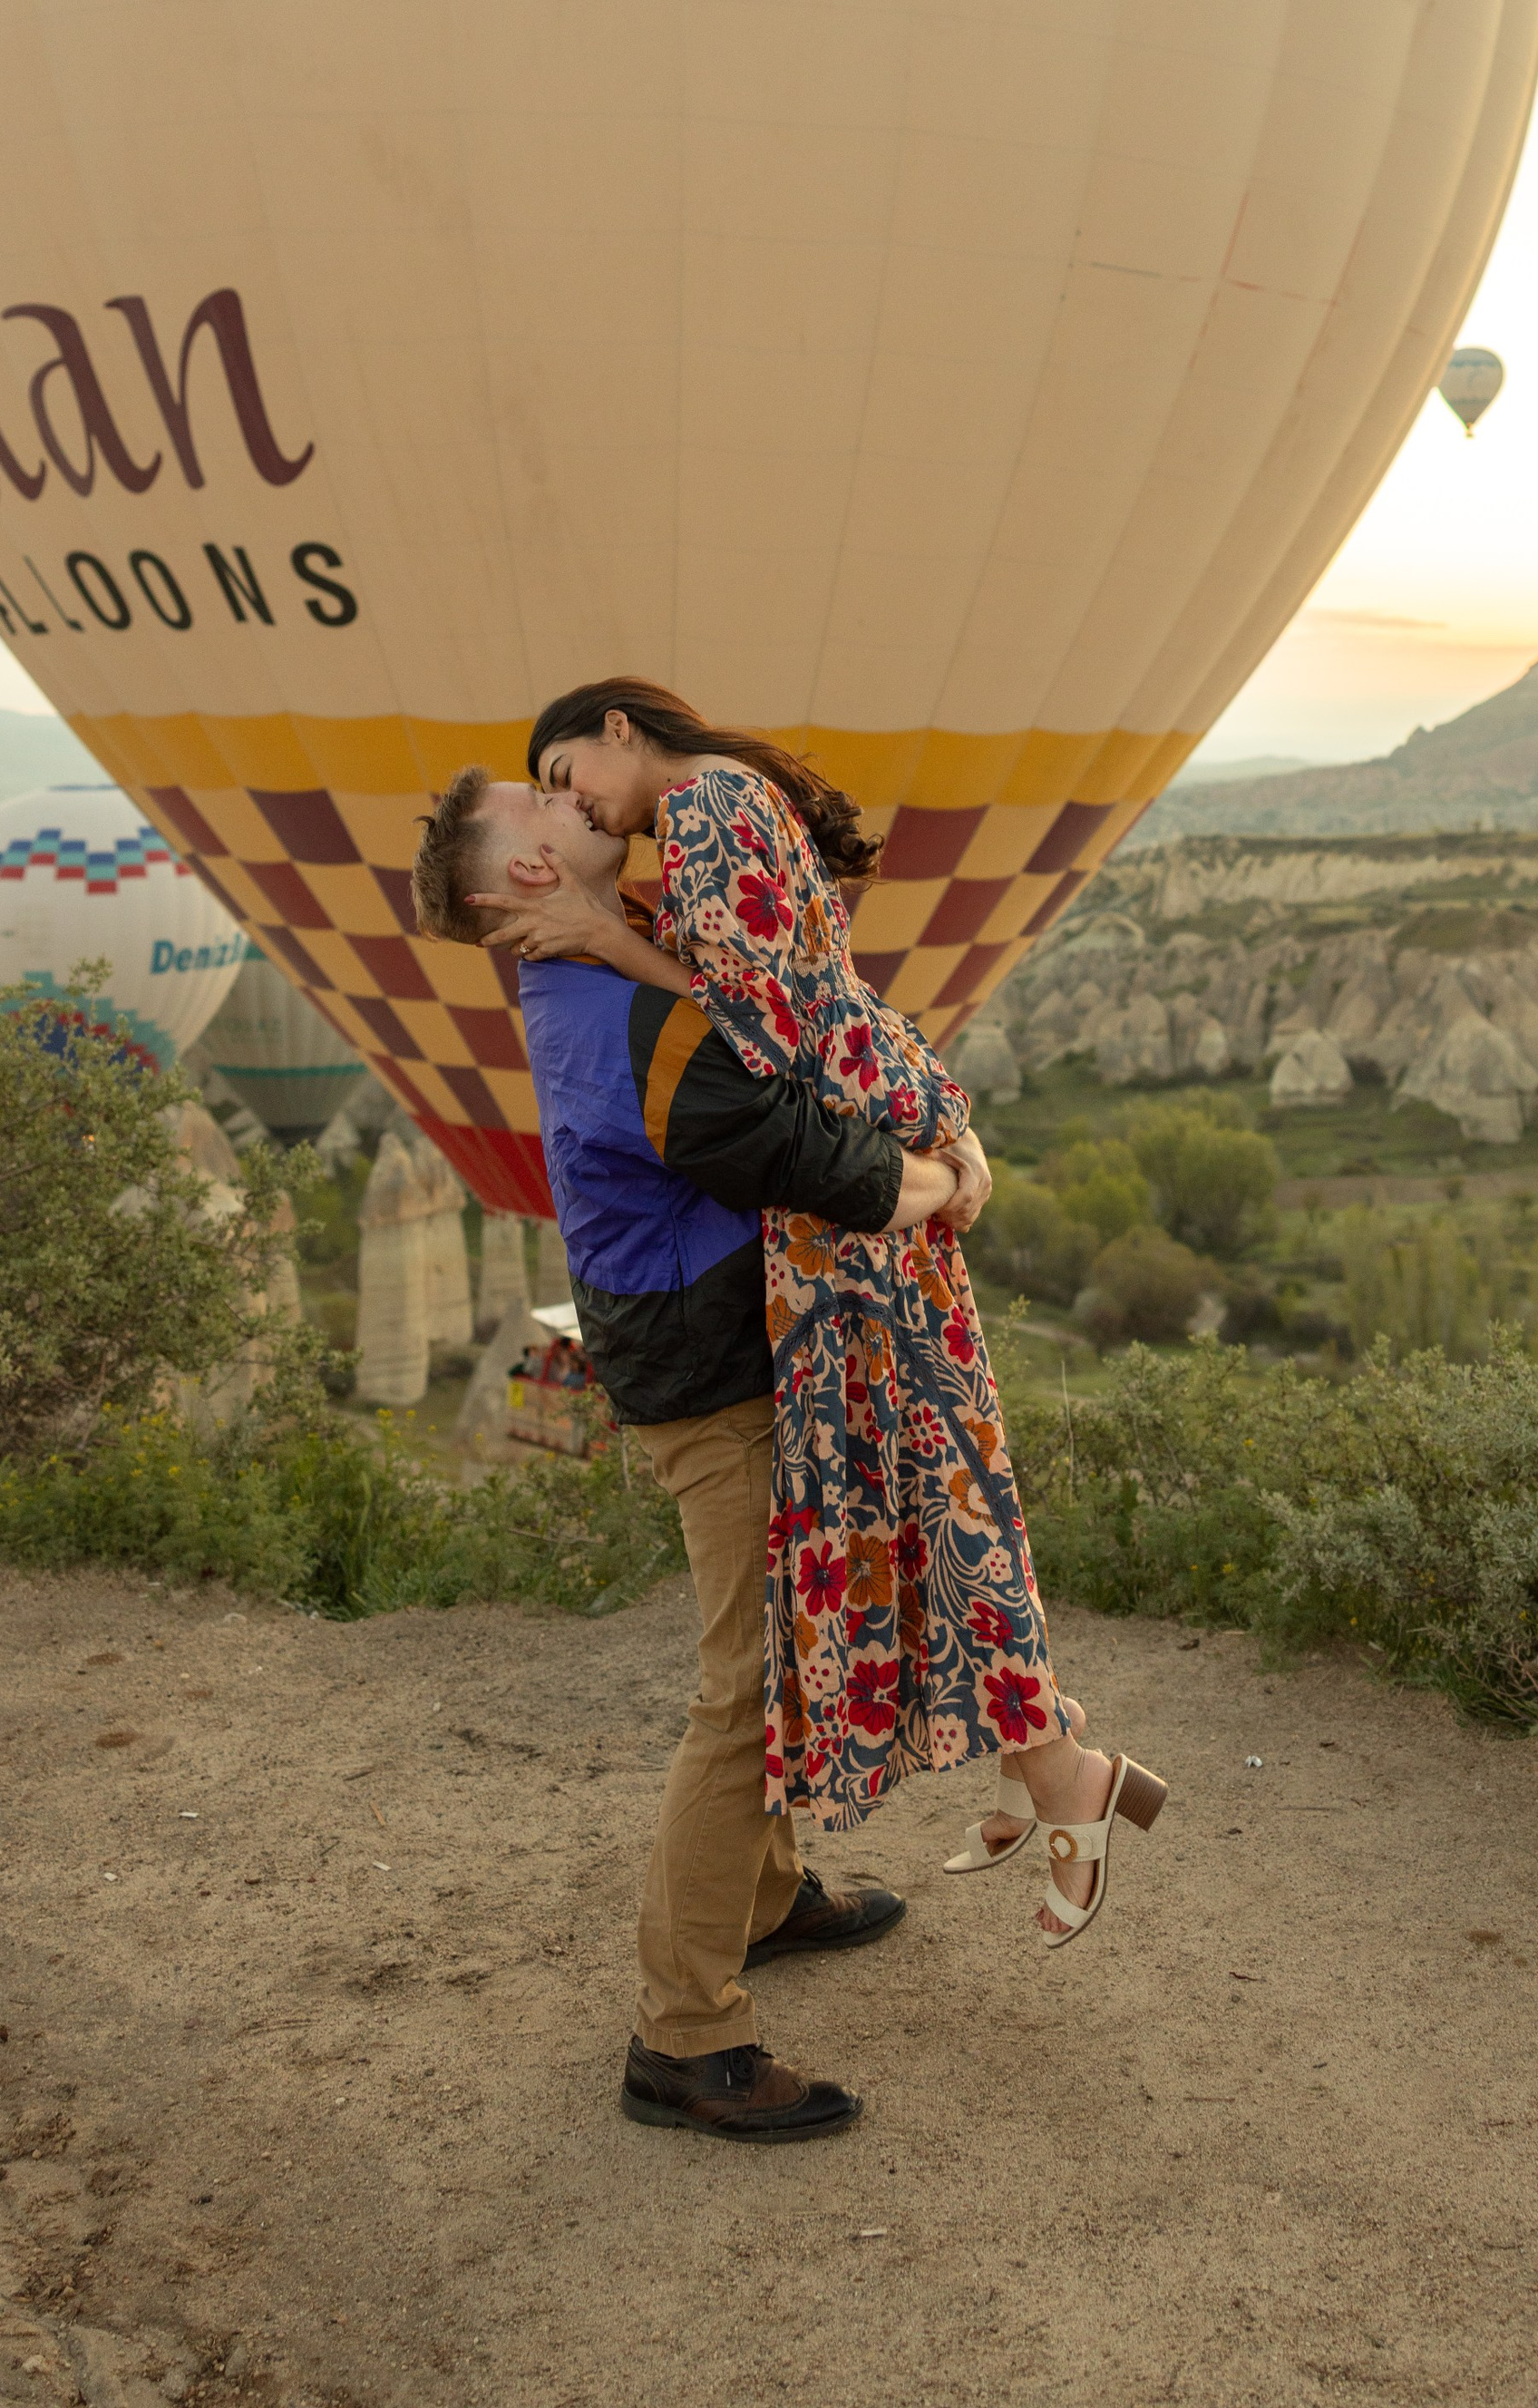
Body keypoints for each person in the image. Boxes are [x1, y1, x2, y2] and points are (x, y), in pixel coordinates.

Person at [478, 679, 1167, 1947]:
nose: (575, 803)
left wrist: (603, 937)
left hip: (847, 1170)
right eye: (553, 800)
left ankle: (1069, 1772)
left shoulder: (701, 817)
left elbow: (753, 1036)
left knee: (939, 1482)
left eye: (570, 771)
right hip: (864, 1128)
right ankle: (1036, 1764)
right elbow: (791, 996)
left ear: (621, 726)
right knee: (929, 1479)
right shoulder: (729, 802)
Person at [414, 779, 968, 2141]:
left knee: (775, 1644)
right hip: (706, 1380)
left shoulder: (625, 955)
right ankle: (683, 2031)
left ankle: (767, 1894)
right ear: (526, 873)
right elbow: (788, 1128)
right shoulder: (614, 1031)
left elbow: (774, 1001)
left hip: (715, 1349)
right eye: (538, 800)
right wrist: (942, 1182)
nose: (576, 789)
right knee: (746, 1684)